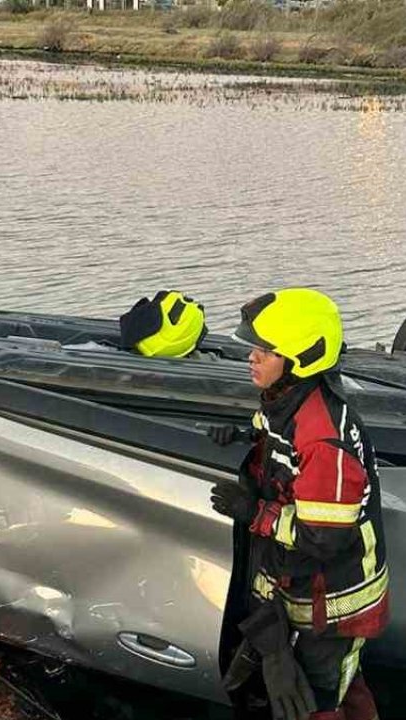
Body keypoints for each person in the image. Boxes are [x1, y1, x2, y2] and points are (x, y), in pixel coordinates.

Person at [210, 288, 387, 720]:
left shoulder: (325, 440)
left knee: (320, 700)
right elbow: (274, 433)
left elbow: (323, 538)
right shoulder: (286, 401)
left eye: (265, 350)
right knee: (332, 687)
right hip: (308, 592)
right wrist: (244, 435)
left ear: (299, 359)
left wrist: (256, 515)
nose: (252, 357)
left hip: (337, 606)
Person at [117, 290, 209, 358]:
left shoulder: (160, 307)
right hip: (178, 352)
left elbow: (127, 326)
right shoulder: (198, 313)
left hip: (149, 348)